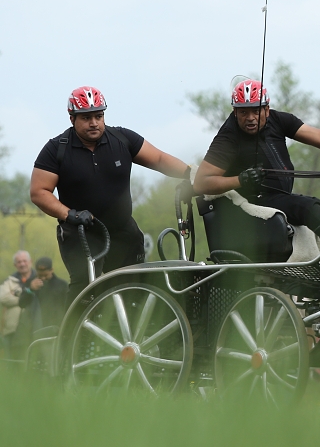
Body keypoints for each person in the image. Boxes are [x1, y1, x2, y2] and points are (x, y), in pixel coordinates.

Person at [30, 87, 192, 302]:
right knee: (86, 291)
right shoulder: (55, 149)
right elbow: (39, 192)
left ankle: (128, 333)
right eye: (86, 118)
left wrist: (192, 175)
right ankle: (71, 335)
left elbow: (160, 159)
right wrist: (70, 214)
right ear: (72, 118)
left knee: (135, 288)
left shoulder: (122, 139)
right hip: (81, 232)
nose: (94, 123)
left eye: (99, 116)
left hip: (123, 230)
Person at [193, 79, 320, 243]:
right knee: (308, 209)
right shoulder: (228, 138)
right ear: (235, 112)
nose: (250, 118)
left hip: (282, 197)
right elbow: (202, 183)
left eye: (256, 111)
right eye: (243, 112)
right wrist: (240, 180)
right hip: (253, 205)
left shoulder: (278, 120)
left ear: (266, 109)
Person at [0, 251, 38, 360]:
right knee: (11, 363)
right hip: (12, 330)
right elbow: (3, 297)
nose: (22, 264)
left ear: (30, 262)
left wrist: (16, 294)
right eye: (19, 262)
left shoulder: (38, 279)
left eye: (24, 261)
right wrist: (26, 297)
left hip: (33, 329)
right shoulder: (9, 281)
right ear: (15, 265)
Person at [18, 258, 68, 329]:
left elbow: (67, 306)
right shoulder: (30, 283)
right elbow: (22, 303)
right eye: (40, 275)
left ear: (52, 270)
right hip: (34, 326)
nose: (43, 278)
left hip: (56, 325)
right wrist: (31, 290)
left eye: (46, 275)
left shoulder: (62, 285)